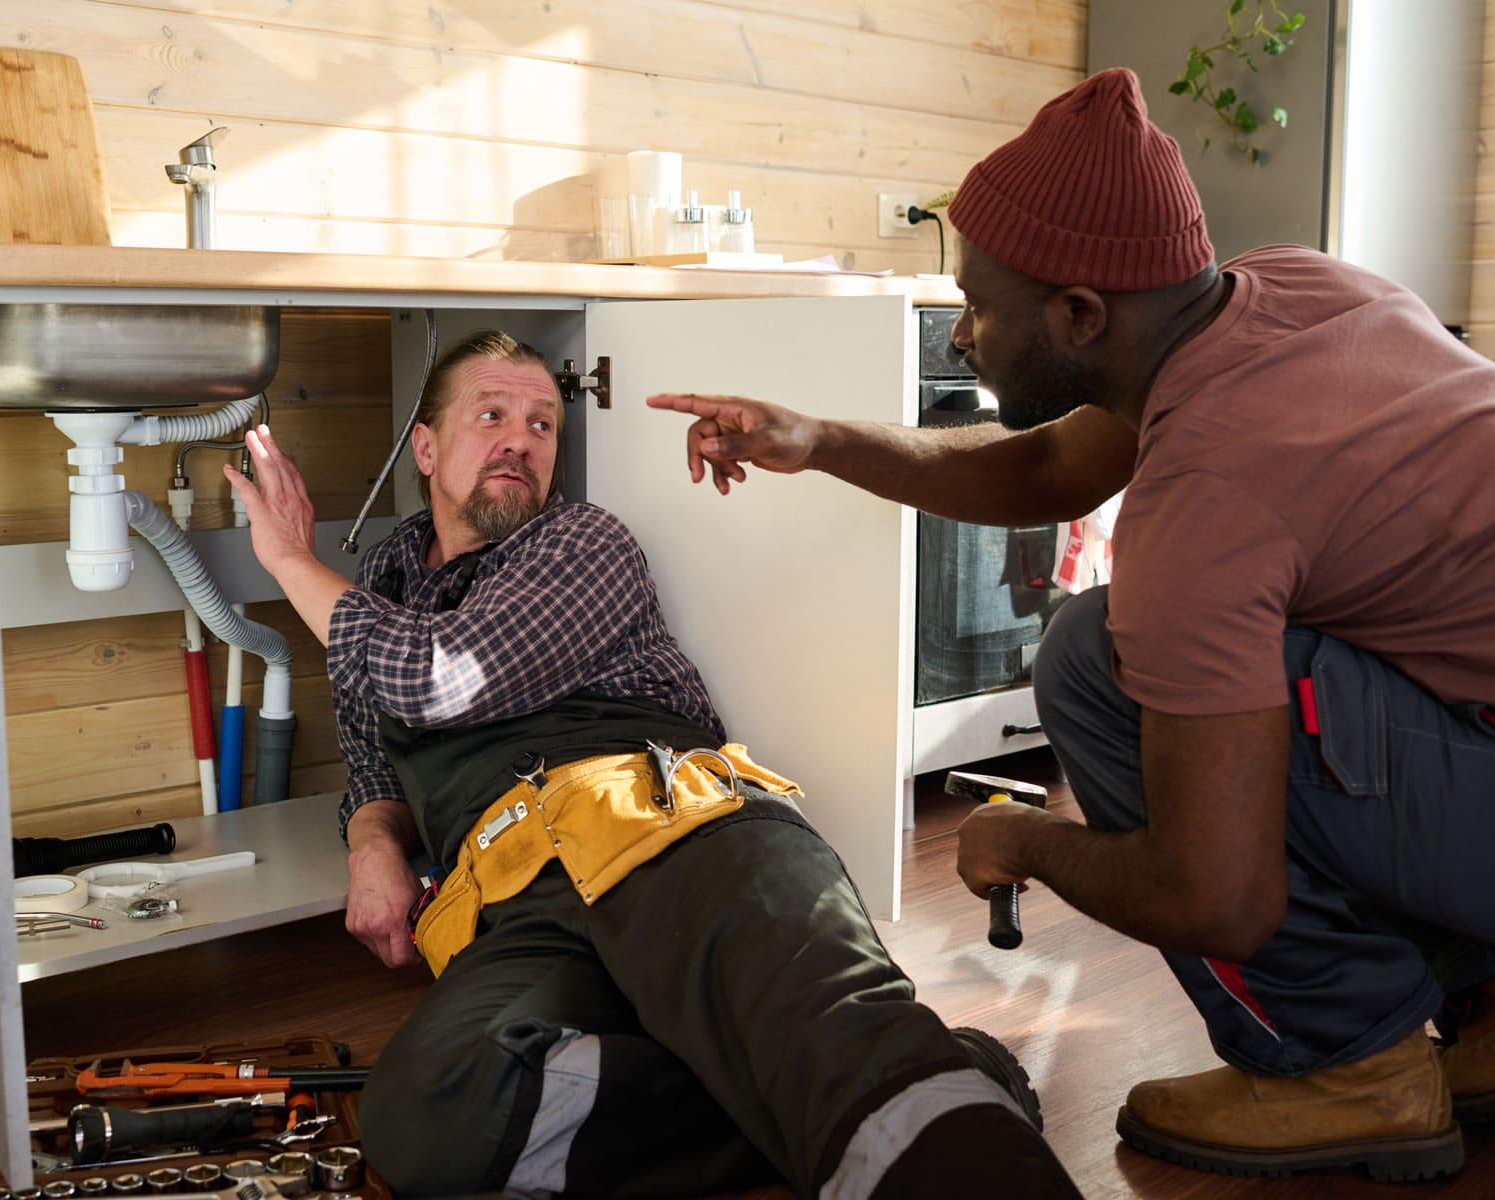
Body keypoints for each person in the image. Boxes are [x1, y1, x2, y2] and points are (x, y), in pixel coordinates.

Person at [648, 66, 1495, 1184]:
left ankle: (1350, 1069)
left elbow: (1215, 896)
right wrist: (821, 440)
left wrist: (1027, 841)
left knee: (1095, 662)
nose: (963, 335)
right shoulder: (1293, 287)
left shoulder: (1207, 501)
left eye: (978, 305)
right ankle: (1485, 1015)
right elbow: (1052, 465)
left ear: (1083, 316)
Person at [221, 330, 1080, 1198]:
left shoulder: (581, 543)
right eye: (491, 416)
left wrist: (290, 559)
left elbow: (436, 678)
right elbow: (373, 759)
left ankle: (870, 1081)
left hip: (674, 831)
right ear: (426, 448)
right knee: (427, 1116)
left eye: (542, 424)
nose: (521, 440)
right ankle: (830, 1084)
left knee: (841, 1036)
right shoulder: (381, 584)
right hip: (516, 896)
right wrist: (373, 844)